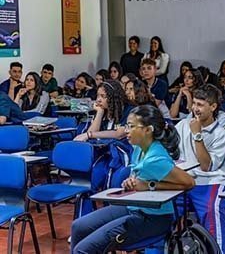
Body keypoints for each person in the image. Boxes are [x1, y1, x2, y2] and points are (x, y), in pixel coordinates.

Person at [71, 105, 195, 253]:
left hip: (154, 218)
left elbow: (189, 183)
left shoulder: (154, 159)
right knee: (78, 227)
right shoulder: (138, 148)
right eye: (126, 126)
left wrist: (149, 185)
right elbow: (137, 177)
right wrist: (132, 181)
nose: (126, 131)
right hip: (134, 207)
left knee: (83, 250)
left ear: (148, 130)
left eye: (131, 126)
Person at [175, 84, 225, 254]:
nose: (195, 109)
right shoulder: (182, 125)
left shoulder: (220, 134)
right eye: (194, 103)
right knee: (162, 208)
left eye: (200, 105)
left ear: (213, 107)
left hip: (212, 181)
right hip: (185, 181)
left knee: (211, 210)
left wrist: (197, 134)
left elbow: (206, 166)